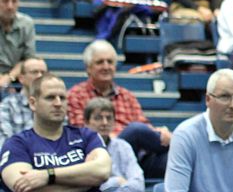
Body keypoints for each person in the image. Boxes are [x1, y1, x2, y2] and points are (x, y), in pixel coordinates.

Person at [66, 40, 172, 179]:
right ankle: (177, 143)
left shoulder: (126, 95)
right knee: (135, 131)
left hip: (134, 157)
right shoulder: (76, 94)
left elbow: (144, 125)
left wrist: (159, 132)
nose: (106, 66)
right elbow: (82, 133)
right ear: (88, 68)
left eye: (110, 62)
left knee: (173, 161)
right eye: (100, 62)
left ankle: (177, 144)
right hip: (102, 153)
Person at [0, 73, 110, 192]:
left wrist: (48, 176)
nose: (58, 103)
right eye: (50, 98)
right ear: (33, 103)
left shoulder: (87, 136)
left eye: (62, 98)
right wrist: (87, 182)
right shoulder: (17, 144)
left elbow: (102, 171)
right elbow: (27, 190)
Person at [83, 97, 145, 192]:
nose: (104, 123)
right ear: (87, 122)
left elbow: (139, 187)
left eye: (109, 118)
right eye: (98, 118)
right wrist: (117, 182)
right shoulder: (79, 149)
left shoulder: (123, 147)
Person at [0, 57, 47, 146]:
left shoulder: (56, 104)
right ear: (21, 78)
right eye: (34, 72)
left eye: (43, 73)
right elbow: (5, 145)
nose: (40, 76)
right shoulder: (7, 106)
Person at [0, 0, 36, 92]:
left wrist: (9, 78)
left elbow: (28, 58)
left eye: (14, 1)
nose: (10, 6)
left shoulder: (27, 23)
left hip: (18, 76)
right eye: (5, 1)